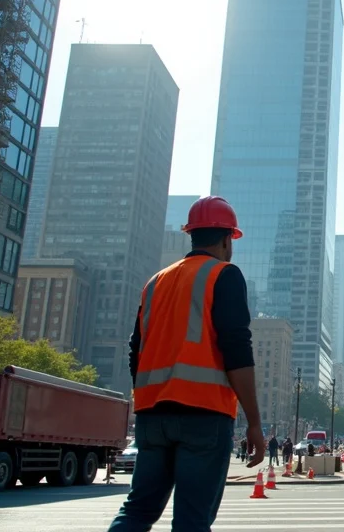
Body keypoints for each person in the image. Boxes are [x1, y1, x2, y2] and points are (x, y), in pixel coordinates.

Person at [108, 196, 265, 532]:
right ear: (227, 239)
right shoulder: (224, 275)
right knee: (192, 521)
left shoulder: (155, 282)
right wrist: (254, 422)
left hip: (152, 415)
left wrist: (146, 400)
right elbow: (237, 349)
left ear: (191, 235)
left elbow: (136, 350)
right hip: (204, 416)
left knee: (136, 512)